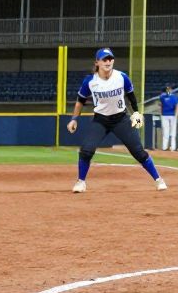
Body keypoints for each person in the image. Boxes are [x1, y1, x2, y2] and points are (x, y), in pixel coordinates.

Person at [68, 48, 166, 193]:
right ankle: (81, 182)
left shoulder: (121, 77)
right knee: (86, 150)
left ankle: (159, 180)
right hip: (100, 120)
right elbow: (80, 101)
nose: (108, 62)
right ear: (97, 62)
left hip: (120, 119)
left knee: (138, 152)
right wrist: (74, 119)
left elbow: (131, 96)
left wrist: (136, 113)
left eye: (110, 59)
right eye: (104, 59)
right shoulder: (90, 81)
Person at [158, 84, 178, 152]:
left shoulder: (174, 97)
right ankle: (164, 147)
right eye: (167, 89)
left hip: (172, 115)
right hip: (164, 115)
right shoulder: (162, 97)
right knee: (165, 131)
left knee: (173, 131)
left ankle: (173, 147)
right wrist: (161, 114)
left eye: (169, 89)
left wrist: (176, 115)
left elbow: (177, 106)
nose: (168, 90)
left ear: (171, 90)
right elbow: (161, 105)